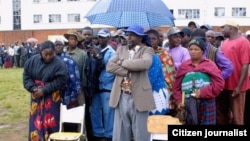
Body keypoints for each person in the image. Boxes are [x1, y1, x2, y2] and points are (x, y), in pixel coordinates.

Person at [106, 24, 154, 141]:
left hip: (139, 95)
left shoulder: (147, 50)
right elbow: (109, 67)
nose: (128, 37)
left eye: (132, 35)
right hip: (122, 94)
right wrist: (130, 70)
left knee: (140, 132)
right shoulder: (121, 49)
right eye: (128, 35)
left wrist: (122, 62)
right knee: (120, 132)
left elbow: (145, 63)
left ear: (140, 37)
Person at [23, 40, 67, 141]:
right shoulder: (32, 61)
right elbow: (26, 76)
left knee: (52, 120)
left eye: (50, 54)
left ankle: (52, 138)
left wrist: (45, 89)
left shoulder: (59, 64)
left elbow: (62, 80)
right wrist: (33, 88)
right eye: (45, 54)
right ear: (40, 52)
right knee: (36, 120)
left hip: (52, 96)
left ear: (54, 52)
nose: (48, 57)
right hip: (36, 95)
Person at [173, 38, 224, 125]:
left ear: (202, 51)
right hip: (188, 103)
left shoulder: (210, 65)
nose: (193, 52)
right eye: (191, 49)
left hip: (207, 102)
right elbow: (176, 87)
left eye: (196, 49)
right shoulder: (184, 66)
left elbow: (219, 84)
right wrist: (179, 101)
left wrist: (202, 92)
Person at [218, 21, 250, 125]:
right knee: (223, 115)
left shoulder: (244, 42)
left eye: (224, 28)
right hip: (224, 85)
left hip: (237, 86)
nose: (222, 30)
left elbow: (246, 64)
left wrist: (239, 86)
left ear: (231, 28)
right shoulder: (225, 42)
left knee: (237, 117)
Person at [89, 29, 116, 141]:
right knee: (95, 111)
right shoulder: (97, 50)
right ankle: (98, 133)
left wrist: (97, 57)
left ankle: (109, 135)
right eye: (99, 37)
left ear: (108, 39)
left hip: (106, 86)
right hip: (96, 87)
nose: (101, 39)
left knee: (108, 112)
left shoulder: (112, 53)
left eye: (104, 37)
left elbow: (111, 71)